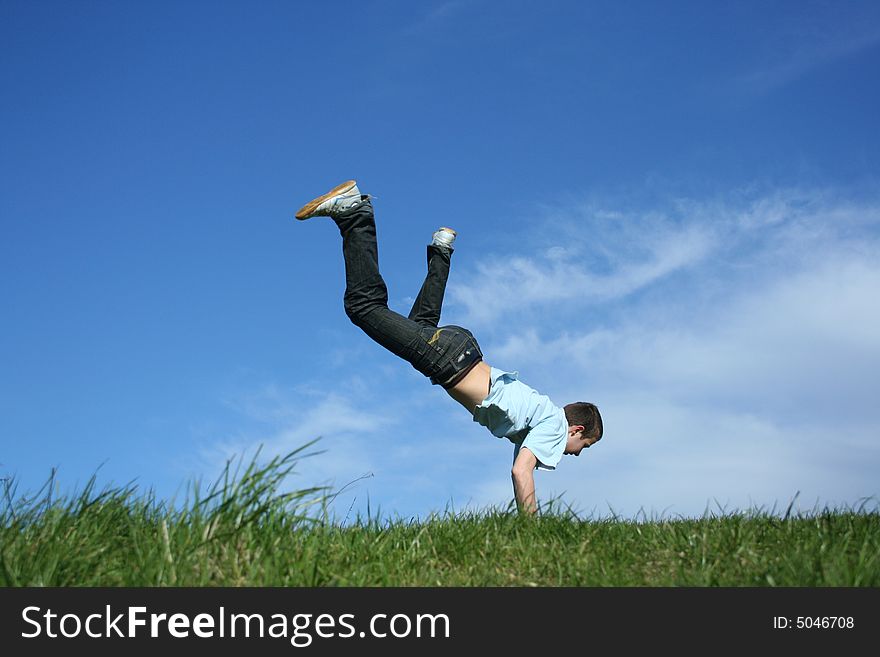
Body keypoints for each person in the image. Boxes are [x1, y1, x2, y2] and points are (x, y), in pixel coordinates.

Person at [295, 180, 603, 514]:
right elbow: (521, 472)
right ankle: (356, 215)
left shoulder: (540, 419)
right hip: (449, 361)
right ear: (576, 429)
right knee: (364, 306)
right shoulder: (554, 429)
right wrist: (535, 531)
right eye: (582, 446)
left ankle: (442, 250)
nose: (575, 454)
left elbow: (521, 474)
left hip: (460, 349)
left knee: (422, 325)